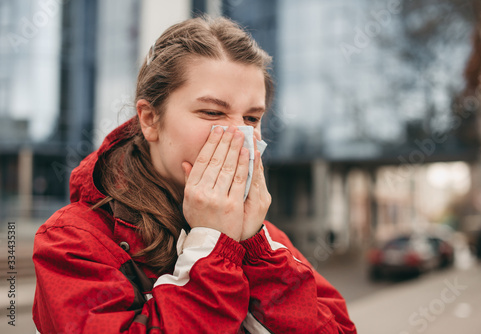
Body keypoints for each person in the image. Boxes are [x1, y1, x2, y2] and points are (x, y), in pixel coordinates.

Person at [32, 16, 357, 334]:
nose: (237, 134)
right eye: (212, 112)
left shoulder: (263, 236)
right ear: (150, 120)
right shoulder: (72, 240)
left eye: (252, 117)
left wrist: (256, 251)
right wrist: (212, 251)